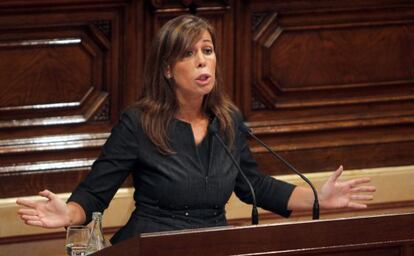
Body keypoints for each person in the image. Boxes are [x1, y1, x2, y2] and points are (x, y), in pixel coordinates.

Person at [16, 15, 376, 245]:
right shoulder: (138, 123)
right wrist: (70, 214)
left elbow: (255, 186)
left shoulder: (227, 121)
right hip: (152, 247)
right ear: (168, 69)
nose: (203, 60)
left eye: (207, 50)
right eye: (188, 54)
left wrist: (318, 199)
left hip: (215, 246)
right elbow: (94, 195)